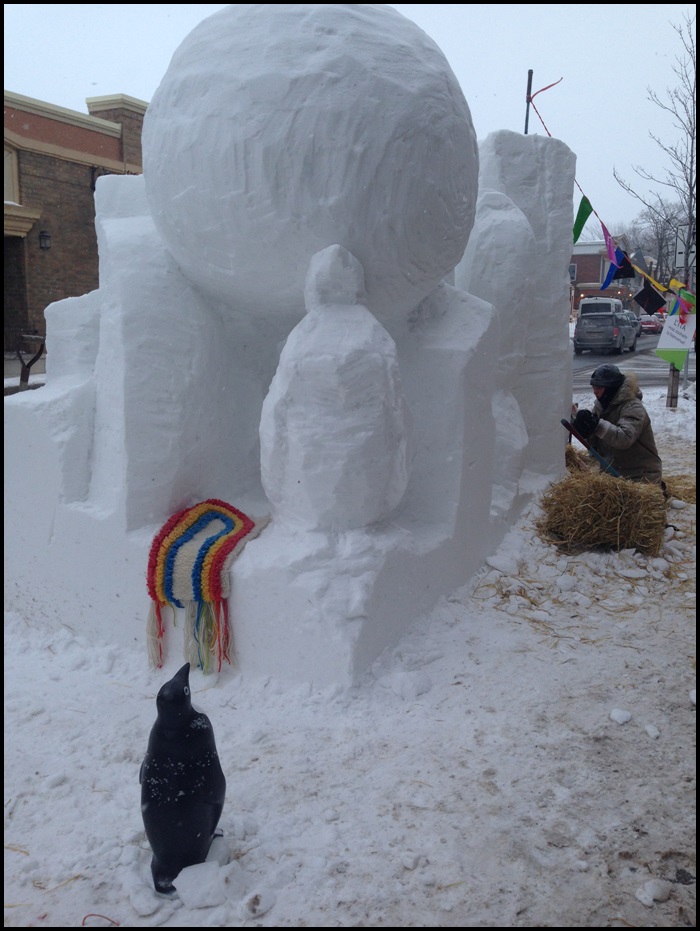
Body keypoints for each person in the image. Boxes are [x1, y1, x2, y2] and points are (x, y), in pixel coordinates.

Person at [571, 363, 664, 486]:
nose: (595, 391)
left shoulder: (633, 407)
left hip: (641, 477)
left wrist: (597, 425)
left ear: (611, 388)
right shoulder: (601, 406)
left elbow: (624, 439)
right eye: (593, 387)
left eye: (599, 387)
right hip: (615, 475)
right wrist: (586, 432)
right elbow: (597, 447)